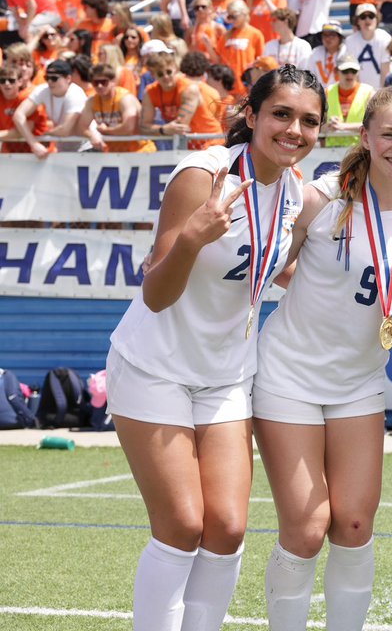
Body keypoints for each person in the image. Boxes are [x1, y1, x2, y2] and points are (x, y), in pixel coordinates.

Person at [105, 65, 323, 631]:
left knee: (225, 527)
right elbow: (156, 294)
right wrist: (194, 237)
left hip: (226, 374)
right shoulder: (203, 174)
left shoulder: (295, 192)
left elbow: (271, 267)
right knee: (181, 525)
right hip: (154, 366)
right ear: (251, 116)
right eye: (281, 114)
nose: (294, 130)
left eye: (308, 121)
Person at [257, 83, 392, 629]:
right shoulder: (322, 198)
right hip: (289, 376)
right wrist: (307, 285)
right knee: (304, 529)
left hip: (359, 384)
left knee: (352, 525)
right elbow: (270, 259)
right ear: (365, 137)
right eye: (388, 133)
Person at [9, 59, 85, 158]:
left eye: (54, 78)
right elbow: (18, 115)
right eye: (47, 78)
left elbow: (65, 130)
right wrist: (34, 143)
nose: (49, 82)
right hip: (63, 149)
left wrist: (47, 133)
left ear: (68, 78)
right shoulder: (43, 90)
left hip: (85, 148)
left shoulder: (75, 93)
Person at [346, 4, 392, 88]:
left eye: (371, 16)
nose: (367, 20)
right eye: (363, 17)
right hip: (360, 92)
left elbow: (386, 70)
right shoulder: (350, 41)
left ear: (376, 19)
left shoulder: (385, 38)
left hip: (382, 89)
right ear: (357, 21)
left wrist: (382, 95)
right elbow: (352, 72)